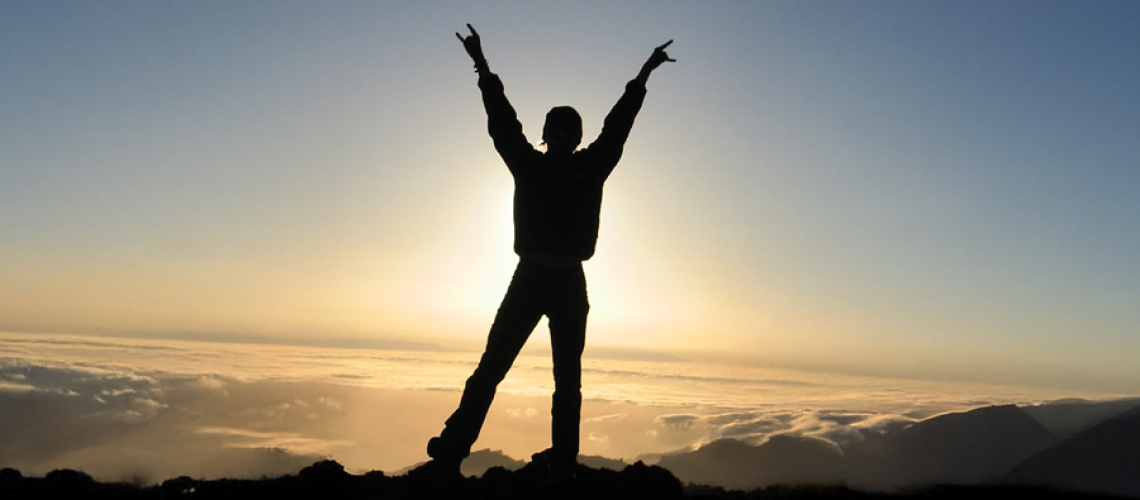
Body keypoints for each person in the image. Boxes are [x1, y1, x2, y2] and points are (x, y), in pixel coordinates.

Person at [417, 24, 674, 479]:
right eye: (556, 130)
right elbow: (505, 121)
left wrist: (644, 74)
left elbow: (616, 125)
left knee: (543, 376)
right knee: (506, 369)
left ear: (569, 136)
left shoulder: (566, 165)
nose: (559, 136)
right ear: (552, 135)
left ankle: (543, 455)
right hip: (542, 279)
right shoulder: (566, 166)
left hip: (555, 280)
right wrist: (481, 66)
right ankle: (468, 447)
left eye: (564, 130)